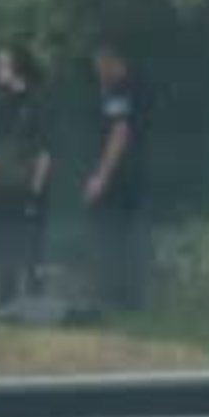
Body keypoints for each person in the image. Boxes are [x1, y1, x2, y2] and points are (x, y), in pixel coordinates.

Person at [0, 43, 52, 309]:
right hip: (3, 187)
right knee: (5, 246)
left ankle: (35, 303)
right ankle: (7, 304)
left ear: (17, 68)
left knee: (32, 247)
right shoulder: (0, 103)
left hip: (28, 186)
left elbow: (45, 150)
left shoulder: (37, 102)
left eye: (3, 65)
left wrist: (36, 190)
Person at [84, 41, 149, 316]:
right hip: (130, 173)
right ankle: (122, 298)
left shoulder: (123, 89)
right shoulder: (123, 87)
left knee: (113, 235)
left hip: (121, 176)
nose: (97, 72)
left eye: (100, 65)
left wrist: (101, 176)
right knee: (120, 235)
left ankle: (116, 297)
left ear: (112, 61)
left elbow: (119, 134)